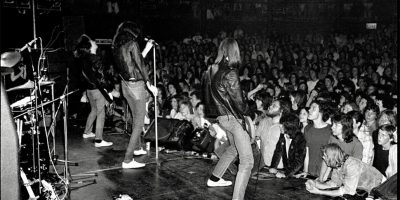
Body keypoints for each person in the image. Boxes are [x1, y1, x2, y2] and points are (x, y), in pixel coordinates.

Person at [203, 38, 252, 200]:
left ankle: (215, 178)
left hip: (222, 117)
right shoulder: (230, 72)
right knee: (247, 162)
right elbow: (239, 102)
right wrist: (250, 111)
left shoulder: (213, 69)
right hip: (233, 119)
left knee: (234, 149)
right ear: (234, 51)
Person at [112, 21, 157, 169]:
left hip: (125, 85)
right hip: (137, 86)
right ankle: (127, 159)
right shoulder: (132, 43)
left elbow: (134, 62)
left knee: (134, 117)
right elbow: (141, 66)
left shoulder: (117, 45)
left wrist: (147, 48)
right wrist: (150, 85)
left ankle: (137, 148)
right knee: (139, 122)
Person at [305, 143, 384, 198]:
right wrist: (314, 184)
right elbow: (333, 184)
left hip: (381, 189)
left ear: (332, 158)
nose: (323, 158)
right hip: (365, 190)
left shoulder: (352, 166)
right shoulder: (338, 163)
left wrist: (319, 192)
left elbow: (347, 192)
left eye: (325, 156)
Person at [77, 34, 113, 147]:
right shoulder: (95, 58)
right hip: (97, 90)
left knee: (93, 110)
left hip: (89, 90)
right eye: (92, 41)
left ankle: (87, 132)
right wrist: (109, 90)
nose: (94, 41)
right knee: (101, 113)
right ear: (90, 46)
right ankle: (98, 140)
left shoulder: (83, 58)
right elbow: (102, 77)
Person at [269, 113, 307, 178]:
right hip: (286, 170)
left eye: (282, 126)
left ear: (290, 127)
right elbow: (278, 151)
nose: (279, 127)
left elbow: (299, 161)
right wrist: (273, 166)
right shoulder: (283, 135)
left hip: (297, 173)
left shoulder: (300, 139)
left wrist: (286, 174)